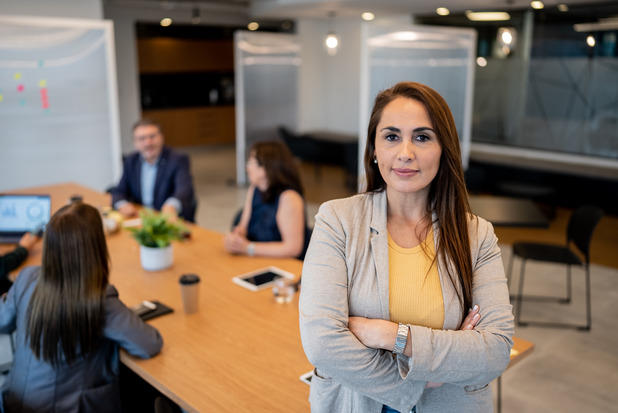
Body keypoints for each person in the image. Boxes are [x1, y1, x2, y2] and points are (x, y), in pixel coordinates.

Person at [299, 82, 514, 413]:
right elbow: (322, 344)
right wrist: (422, 375)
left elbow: (495, 351)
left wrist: (390, 335)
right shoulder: (337, 221)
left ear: (445, 149)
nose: (405, 153)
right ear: (374, 148)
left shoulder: (476, 235)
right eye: (391, 136)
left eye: (422, 137)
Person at [0, 202, 163, 412]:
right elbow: (149, 344)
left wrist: (11, 298)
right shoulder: (98, 298)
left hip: (13, 403)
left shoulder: (26, 278)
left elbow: (2, 321)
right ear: (96, 247)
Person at [224, 140, 311, 260]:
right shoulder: (255, 188)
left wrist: (248, 247)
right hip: (259, 259)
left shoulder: (289, 198)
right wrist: (237, 238)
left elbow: (293, 248)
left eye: (250, 162)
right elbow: (243, 226)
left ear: (264, 168)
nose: (247, 167)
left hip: (286, 266)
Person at [111, 118, 197, 222]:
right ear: (135, 142)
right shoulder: (131, 161)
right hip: (141, 218)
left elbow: (185, 189)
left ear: (162, 137)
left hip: (169, 220)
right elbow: (119, 190)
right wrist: (122, 205)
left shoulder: (178, 159)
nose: (148, 143)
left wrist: (171, 206)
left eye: (152, 136)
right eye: (142, 138)